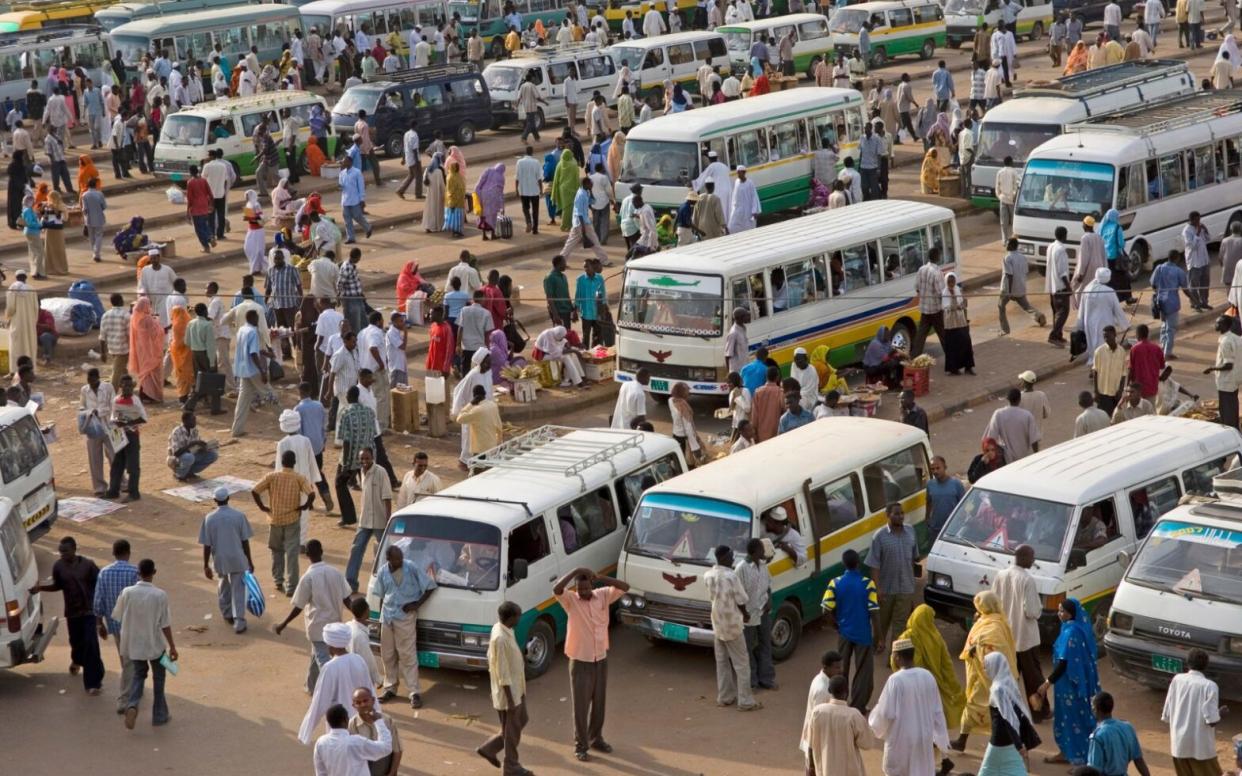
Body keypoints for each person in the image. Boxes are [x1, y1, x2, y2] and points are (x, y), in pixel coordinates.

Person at [552, 566, 630, 761]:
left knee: (599, 702)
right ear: (576, 588)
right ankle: (581, 745)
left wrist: (601, 576)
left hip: (600, 657)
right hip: (580, 660)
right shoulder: (570, 600)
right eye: (580, 589)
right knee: (581, 706)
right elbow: (557, 589)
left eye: (586, 588)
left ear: (592, 586)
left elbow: (625, 586)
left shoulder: (602, 595)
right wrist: (575, 570)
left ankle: (596, 738)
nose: (584, 592)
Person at [274, 540, 352, 695]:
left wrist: (283, 624)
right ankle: (310, 686)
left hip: (317, 627)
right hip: (334, 626)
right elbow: (347, 599)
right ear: (322, 551)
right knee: (316, 656)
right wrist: (360, 617)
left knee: (324, 661)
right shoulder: (335, 572)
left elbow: (298, 606)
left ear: (307, 555)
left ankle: (334, 692)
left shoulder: (308, 577)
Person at [29, 536, 104, 695]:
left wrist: (100, 609)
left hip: (89, 612)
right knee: (76, 643)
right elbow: (57, 585)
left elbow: (100, 585)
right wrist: (41, 588)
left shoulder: (88, 565)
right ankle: (77, 660)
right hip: (72, 613)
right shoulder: (58, 567)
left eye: (66, 552)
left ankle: (93, 683)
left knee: (91, 645)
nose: (63, 555)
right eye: (61, 552)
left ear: (75, 549)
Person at [869, 639, 951, 776]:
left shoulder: (895, 680)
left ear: (896, 657)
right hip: (924, 739)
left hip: (901, 740)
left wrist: (874, 723)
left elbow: (885, 713)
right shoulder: (928, 675)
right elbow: (938, 711)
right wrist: (940, 738)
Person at [112, 558, 176, 730]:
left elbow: (117, 616)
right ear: (154, 573)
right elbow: (165, 624)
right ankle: (159, 715)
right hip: (155, 644)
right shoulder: (160, 595)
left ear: (138, 573)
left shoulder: (127, 592)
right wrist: (173, 646)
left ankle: (132, 704)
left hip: (135, 645)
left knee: (139, 676)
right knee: (159, 678)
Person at [1037, 599, 1101, 766]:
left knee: (1073, 721)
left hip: (1070, 685)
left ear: (1071, 613)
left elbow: (1064, 663)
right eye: (1058, 610)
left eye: (1063, 611)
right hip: (1070, 684)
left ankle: (1078, 760)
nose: (1059, 614)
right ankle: (1066, 753)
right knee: (1068, 719)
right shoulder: (1075, 629)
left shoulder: (1071, 632)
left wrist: (1046, 683)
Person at [370, 544, 436, 709]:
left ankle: (414, 692)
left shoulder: (411, 567)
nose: (400, 560)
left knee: (407, 655)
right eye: (396, 558)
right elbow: (380, 595)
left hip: (405, 618)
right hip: (387, 617)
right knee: (387, 654)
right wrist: (381, 618)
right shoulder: (383, 571)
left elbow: (430, 586)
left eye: (400, 557)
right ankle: (390, 687)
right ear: (389, 560)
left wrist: (416, 604)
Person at [475, 602, 532, 775]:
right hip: (510, 694)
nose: (520, 618)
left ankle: (489, 749)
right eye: (518, 615)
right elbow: (502, 673)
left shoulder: (504, 630)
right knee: (512, 729)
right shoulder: (500, 638)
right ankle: (511, 766)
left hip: (517, 689)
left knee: (519, 722)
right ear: (511, 618)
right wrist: (510, 700)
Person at [704, 544, 762, 712]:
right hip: (732, 624)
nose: (732, 559)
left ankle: (725, 696)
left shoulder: (708, 575)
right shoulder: (730, 576)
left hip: (717, 622)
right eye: (730, 556)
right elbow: (741, 599)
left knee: (722, 662)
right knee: (742, 663)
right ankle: (745, 701)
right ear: (723, 558)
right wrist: (745, 614)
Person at [891, 604, 966, 730]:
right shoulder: (936, 637)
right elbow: (947, 666)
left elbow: (895, 660)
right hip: (933, 684)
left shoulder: (906, 637)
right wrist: (955, 689)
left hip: (910, 686)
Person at [297, 623, 374, 744]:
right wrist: (377, 719)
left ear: (330, 645)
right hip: (361, 722)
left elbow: (319, 702)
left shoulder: (330, 667)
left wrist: (305, 733)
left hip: (339, 725)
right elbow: (370, 691)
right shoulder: (359, 660)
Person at [992, 545, 1045, 718]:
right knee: (1034, 678)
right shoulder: (1027, 579)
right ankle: (1039, 712)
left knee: (1010, 678)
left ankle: (1010, 712)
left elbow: (994, 603)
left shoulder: (1000, 575)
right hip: (1026, 638)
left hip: (1007, 638)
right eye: (1032, 557)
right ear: (1022, 557)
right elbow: (1031, 611)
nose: (1033, 560)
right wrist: (1039, 609)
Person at [252, 450, 314, 595]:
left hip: (275, 519)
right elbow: (311, 494)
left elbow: (255, 490)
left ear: (281, 461)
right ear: (294, 462)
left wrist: (262, 507)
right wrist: (304, 506)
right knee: (292, 553)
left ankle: (278, 580)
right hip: (292, 519)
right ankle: (292, 586)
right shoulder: (299, 478)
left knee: (276, 551)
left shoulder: (272, 476)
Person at [198, 487, 254, 634]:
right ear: (228, 498)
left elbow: (207, 545)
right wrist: (250, 560)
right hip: (237, 557)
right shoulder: (239, 516)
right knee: (238, 590)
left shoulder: (209, 518)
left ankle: (227, 614)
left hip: (220, 558)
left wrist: (205, 565)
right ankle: (239, 621)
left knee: (223, 586)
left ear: (215, 500)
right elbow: (245, 541)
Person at [93, 539, 139, 714]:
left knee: (125, 658)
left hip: (115, 624)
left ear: (113, 553)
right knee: (130, 661)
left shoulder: (104, 573)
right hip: (133, 624)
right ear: (128, 552)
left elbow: (98, 600)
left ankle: (132, 688)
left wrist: (99, 624)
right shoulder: (135, 572)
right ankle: (125, 699)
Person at [1162, 648, 1225, 776]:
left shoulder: (1177, 680)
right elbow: (1212, 721)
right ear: (1206, 665)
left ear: (1187, 663)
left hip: (1179, 745)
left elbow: (1167, 713)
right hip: (1201, 749)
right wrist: (1221, 714)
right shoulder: (1209, 686)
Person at [977, 651, 1041, 776]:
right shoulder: (1009, 683)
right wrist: (1018, 742)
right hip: (1010, 742)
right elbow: (1015, 713)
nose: (984, 669)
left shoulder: (998, 689)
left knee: (986, 771)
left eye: (986, 665)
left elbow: (1006, 718)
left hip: (999, 742)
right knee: (1016, 771)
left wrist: (1019, 744)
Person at [868, 502, 918, 653]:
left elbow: (914, 558)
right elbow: (874, 565)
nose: (900, 516)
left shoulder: (911, 532)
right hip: (886, 589)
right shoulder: (879, 537)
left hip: (906, 588)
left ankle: (895, 657)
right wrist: (878, 589)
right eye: (896, 513)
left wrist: (912, 584)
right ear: (887, 515)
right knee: (882, 622)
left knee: (900, 624)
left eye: (902, 513)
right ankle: (876, 645)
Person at [806, 673, 877, 776]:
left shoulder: (817, 712)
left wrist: (811, 767)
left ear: (829, 690)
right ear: (847, 692)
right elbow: (867, 744)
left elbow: (810, 744)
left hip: (825, 771)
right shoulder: (853, 715)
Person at [276, 409, 325, 547]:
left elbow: (279, 467)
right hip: (304, 484)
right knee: (303, 514)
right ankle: (301, 542)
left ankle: (290, 541)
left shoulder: (282, 443)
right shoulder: (305, 441)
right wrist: (312, 482)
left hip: (287, 485)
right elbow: (312, 463)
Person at [735, 538, 776, 692]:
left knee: (766, 644)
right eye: (761, 549)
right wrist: (744, 613)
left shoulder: (763, 566)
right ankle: (752, 682)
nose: (763, 552)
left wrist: (769, 600)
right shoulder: (741, 568)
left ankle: (767, 679)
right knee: (748, 649)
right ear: (754, 552)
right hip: (748, 615)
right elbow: (737, 594)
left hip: (763, 611)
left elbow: (768, 586)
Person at [1088, 691, 1152, 776]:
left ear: (1096, 710)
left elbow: (1093, 771)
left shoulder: (1097, 736)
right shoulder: (1127, 727)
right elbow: (1139, 760)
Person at [106, 375, 147, 502]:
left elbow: (144, 418)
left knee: (133, 465)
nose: (128, 388)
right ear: (120, 386)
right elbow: (113, 416)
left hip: (132, 434)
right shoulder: (116, 400)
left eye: (130, 386)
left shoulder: (135, 400)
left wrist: (128, 422)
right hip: (119, 434)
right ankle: (113, 491)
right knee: (117, 464)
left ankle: (134, 492)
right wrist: (117, 422)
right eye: (125, 385)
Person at [1152, 250, 1191, 358]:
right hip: (1172, 303)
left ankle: (1162, 348)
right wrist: (1193, 299)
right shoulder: (1178, 271)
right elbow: (1185, 289)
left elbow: (1153, 284)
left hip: (1160, 302)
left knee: (1164, 326)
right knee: (1171, 328)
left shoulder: (1159, 268)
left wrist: (1158, 293)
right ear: (1177, 258)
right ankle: (1167, 353)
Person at [984, 388, 1040, 461]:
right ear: (1019, 399)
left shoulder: (998, 414)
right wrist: (1037, 456)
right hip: (1026, 458)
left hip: (1007, 460)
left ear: (1007, 399)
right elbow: (1034, 440)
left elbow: (990, 438)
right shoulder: (1027, 415)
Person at [1207, 315, 1242, 429]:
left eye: (1219, 323)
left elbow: (1228, 365)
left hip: (1226, 381)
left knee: (1227, 409)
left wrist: (1212, 368)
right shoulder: (1235, 338)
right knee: (1233, 405)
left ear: (1226, 325)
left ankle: (1231, 430)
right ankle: (1235, 427)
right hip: (1235, 379)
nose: (1216, 325)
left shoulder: (1225, 342)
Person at [911, 248, 946, 358]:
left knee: (920, 337)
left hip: (925, 310)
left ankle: (914, 360)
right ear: (937, 257)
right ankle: (952, 360)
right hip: (936, 310)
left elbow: (917, 288)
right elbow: (941, 293)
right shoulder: (937, 272)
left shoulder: (921, 269)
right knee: (944, 336)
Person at [926, 456, 965, 538]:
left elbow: (964, 505)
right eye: (933, 469)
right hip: (935, 529)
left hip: (952, 529)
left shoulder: (956, 484)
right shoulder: (930, 484)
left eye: (938, 468)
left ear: (945, 467)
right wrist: (927, 518)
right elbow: (928, 502)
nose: (935, 471)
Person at [1184, 211, 1212, 311]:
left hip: (1204, 260)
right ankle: (1195, 304)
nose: (1199, 221)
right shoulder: (1187, 231)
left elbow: (1208, 239)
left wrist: (1205, 229)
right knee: (1193, 284)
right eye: (1197, 220)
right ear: (1192, 220)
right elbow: (1192, 246)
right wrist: (1198, 232)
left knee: (1205, 282)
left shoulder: (1200, 227)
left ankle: (1204, 302)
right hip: (1194, 262)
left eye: (1199, 219)